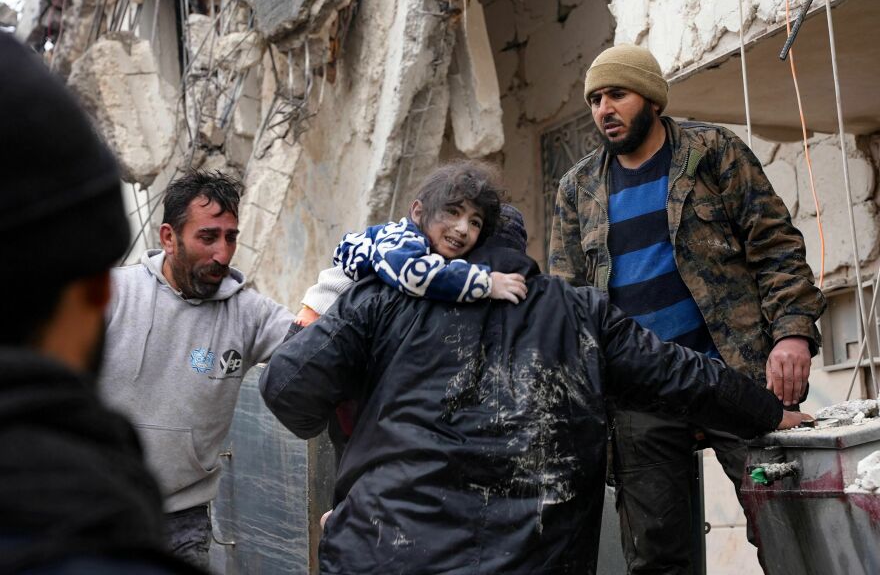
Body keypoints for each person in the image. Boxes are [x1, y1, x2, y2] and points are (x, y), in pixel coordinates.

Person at [260, 206, 808, 574]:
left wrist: (348, 480)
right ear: (522, 251)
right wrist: (766, 412)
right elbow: (681, 375)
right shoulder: (580, 314)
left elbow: (286, 386)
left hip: (382, 555)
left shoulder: (380, 300)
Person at [548, 44, 826, 574]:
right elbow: (571, 305)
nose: (603, 109)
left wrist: (792, 334)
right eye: (595, 99)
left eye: (617, 94)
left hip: (739, 377)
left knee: (790, 533)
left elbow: (776, 248)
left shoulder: (712, 151)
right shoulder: (577, 188)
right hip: (641, 396)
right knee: (658, 559)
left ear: (651, 98)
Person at [0, 33, 200, 574]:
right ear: (97, 289)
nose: (221, 252)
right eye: (208, 236)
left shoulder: (242, 308)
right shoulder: (92, 540)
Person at [98, 170, 295, 569]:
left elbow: (321, 347)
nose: (222, 253)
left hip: (183, 522)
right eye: (208, 237)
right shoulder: (111, 295)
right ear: (169, 238)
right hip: (96, 510)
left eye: (231, 237)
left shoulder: (250, 314)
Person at [292, 161, 527, 455]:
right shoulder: (401, 241)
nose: (462, 228)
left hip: (337, 348)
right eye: (452, 212)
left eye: (475, 222)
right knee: (355, 435)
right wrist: (485, 283)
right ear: (418, 212)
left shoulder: (423, 250)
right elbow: (415, 275)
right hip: (313, 334)